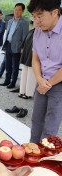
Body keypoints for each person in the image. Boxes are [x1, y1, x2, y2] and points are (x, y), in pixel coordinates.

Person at [27, 0, 62, 143]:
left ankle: (45, 161)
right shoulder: (38, 31)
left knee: (50, 127)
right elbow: (35, 58)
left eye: (39, 16)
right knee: (36, 122)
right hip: (42, 81)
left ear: (55, 12)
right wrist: (40, 79)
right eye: (34, 17)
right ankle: (32, 153)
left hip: (58, 83)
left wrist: (48, 83)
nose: (36, 21)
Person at [0, 3, 29, 89]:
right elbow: (8, 33)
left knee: (15, 66)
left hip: (17, 47)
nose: (17, 11)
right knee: (7, 64)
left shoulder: (24, 23)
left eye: (19, 10)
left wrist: (22, 48)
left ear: (22, 11)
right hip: (8, 44)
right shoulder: (10, 21)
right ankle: (7, 80)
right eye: (16, 9)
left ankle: (13, 83)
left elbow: (25, 37)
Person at [18, 20, 37, 99]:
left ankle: (28, 93)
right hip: (26, 54)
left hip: (34, 56)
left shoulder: (42, 33)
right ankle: (22, 91)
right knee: (24, 73)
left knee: (31, 74)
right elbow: (24, 42)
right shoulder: (31, 31)